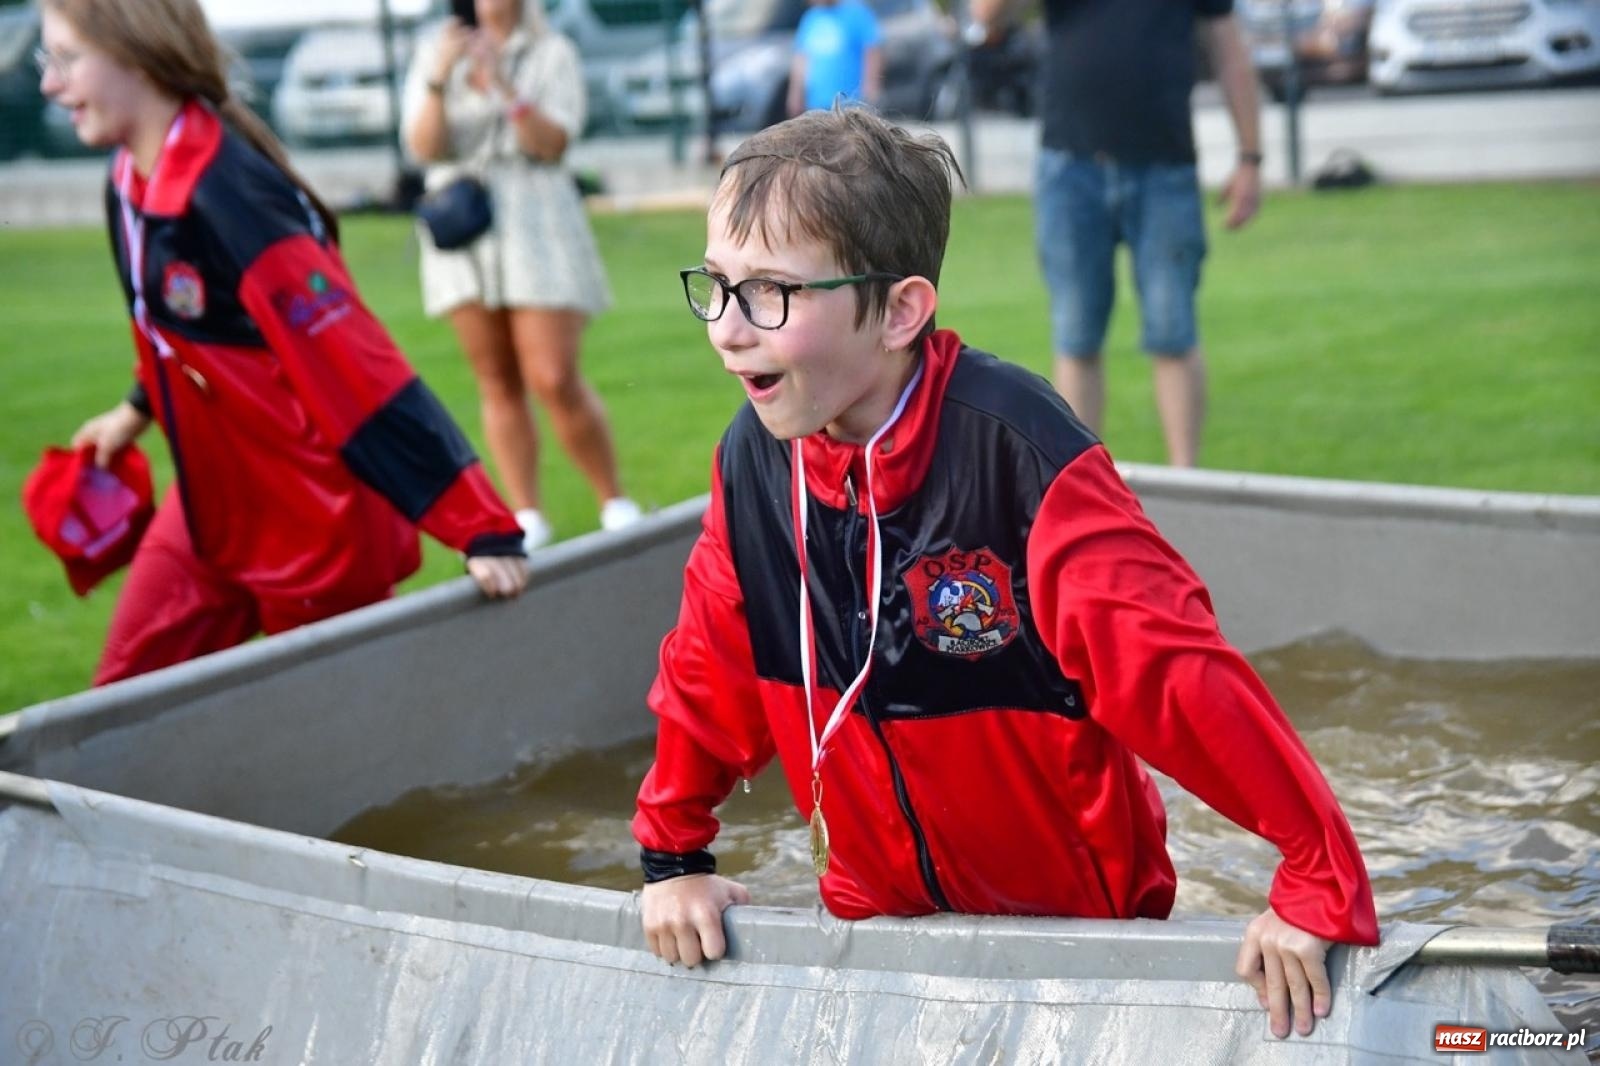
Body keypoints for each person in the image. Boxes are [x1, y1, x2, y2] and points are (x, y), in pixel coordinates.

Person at [631, 109, 1377, 1041]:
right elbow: (710, 664)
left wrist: (1316, 870)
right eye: (719, 285)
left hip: (1084, 947)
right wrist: (674, 856)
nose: (729, 330)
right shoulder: (756, 460)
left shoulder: (1018, 458)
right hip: (877, 938)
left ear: (901, 309)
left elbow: (1176, 670)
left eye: (773, 292)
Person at [38, 0, 529, 687]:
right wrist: (135, 409)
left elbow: (355, 366)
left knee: (343, 763)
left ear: (134, 53)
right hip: (214, 508)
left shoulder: (231, 192)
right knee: (114, 718)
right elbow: (185, 330)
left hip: (313, 526)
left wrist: (480, 524)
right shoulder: (127, 178)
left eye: (64, 59)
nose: (48, 85)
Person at [969, 0, 1264, 468]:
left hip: (1165, 168)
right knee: (1076, 337)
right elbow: (989, 13)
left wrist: (1251, 157)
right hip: (1070, 165)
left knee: (1173, 333)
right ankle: (1081, 489)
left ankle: (1188, 486)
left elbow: (1228, 49)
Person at [403, 0, 640, 552]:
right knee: (496, 377)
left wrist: (505, 87)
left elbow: (551, 144)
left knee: (553, 374)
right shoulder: (433, 50)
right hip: (464, 230)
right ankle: (527, 510)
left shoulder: (552, 50)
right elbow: (423, 148)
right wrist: (442, 77)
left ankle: (613, 499)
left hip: (538, 223)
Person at [787, 0, 883, 119]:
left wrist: (871, 88)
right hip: (816, 104)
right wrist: (796, 94)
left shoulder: (857, 13)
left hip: (850, 103)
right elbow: (801, 58)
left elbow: (872, 51)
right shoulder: (811, 17)